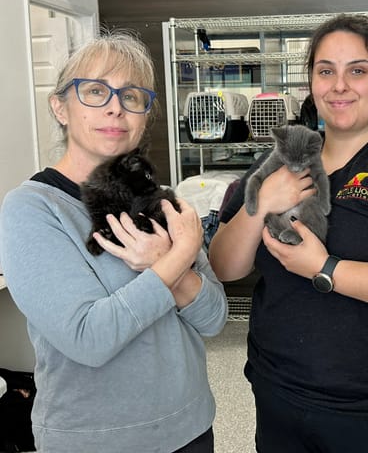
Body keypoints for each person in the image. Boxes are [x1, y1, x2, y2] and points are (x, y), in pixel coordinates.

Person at [209, 14, 368, 452]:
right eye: (325, 70)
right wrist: (262, 204)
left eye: (358, 70)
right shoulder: (278, 163)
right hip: (282, 397)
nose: (339, 85)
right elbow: (224, 266)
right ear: (311, 81)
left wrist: (324, 267)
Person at [0, 31, 228, 452]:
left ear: (144, 117)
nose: (114, 108)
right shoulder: (32, 209)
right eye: (94, 90)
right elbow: (89, 339)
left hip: (191, 427)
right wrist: (175, 261)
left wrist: (167, 264)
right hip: (97, 441)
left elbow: (214, 318)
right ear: (60, 107)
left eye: (132, 96)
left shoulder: (160, 199)